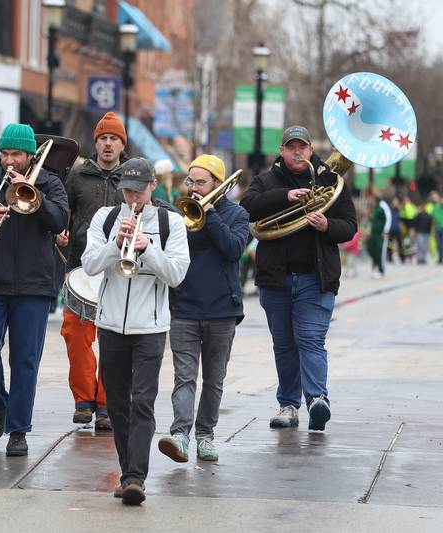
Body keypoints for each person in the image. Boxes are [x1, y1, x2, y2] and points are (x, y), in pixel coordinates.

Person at [81, 157, 190, 505]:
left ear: (153, 187)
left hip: (151, 327)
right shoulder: (105, 218)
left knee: (142, 400)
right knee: (116, 404)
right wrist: (117, 244)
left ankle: (135, 478)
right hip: (111, 324)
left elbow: (176, 275)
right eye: (127, 190)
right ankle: (129, 471)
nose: (133, 198)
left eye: (139, 191)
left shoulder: (171, 222)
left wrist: (147, 248)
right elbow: (90, 265)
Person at [0, 123, 69, 456]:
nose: (9, 161)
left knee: (24, 361)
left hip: (34, 286)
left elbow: (61, 221)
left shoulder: (50, 184)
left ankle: (18, 429)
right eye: (5, 154)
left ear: (29, 156)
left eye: (16, 155)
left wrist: (35, 200)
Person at [240, 126, 357, 432]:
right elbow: (247, 208)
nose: (296, 152)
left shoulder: (331, 181)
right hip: (276, 280)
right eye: (290, 147)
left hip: (315, 279)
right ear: (281, 151)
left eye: (301, 147)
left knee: (310, 340)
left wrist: (326, 225)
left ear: (309, 150)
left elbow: (350, 226)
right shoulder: (266, 180)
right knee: (284, 345)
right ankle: (288, 406)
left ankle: (317, 399)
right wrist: (286, 196)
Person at [157, 155, 248, 464]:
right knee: (184, 377)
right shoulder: (179, 214)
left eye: (200, 182)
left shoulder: (237, 214)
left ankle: (205, 436)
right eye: (191, 181)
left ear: (218, 185)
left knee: (214, 379)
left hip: (222, 310)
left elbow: (234, 248)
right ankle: (180, 435)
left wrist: (210, 215)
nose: (194, 188)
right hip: (184, 307)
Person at [57, 111, 127, 430]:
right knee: (75, 335)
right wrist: (60, 233)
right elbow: (62, 214)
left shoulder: (132, 178)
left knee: (113, 340)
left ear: (122, 145)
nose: (108, 144)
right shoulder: (76, 177)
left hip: (119, 272)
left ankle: (106, 404)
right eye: (103, 138)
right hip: (80, 268)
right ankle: (84, 399)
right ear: (96, 143)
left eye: (114, 138)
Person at [365, 193, 391, 278]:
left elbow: (388, 218)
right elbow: (373, 221)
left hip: (381, 234)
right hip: (373, 234)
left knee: (381, 252)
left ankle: (381, 270)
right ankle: (376, 264)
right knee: (371, 248)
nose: (370, 201)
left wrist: (386, 230)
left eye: (371, 199)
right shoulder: (375, 208)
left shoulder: (383, 206)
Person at [414, 200, 432, 264]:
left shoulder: (429, 216)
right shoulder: (418, 215)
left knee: (425, 246)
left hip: (427, 232)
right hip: (420, 232)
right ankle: (420, 258)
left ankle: (423, 258)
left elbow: (430, 225)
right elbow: (415, 223)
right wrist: (415, 231)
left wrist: (430, 232)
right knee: (420, 246)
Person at [431, 192, 443, 265]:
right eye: (433, 197)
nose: (434, 198)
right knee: (438, 244)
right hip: (437, 228)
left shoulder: (441, 205)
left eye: (435, 197)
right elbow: (433, 218)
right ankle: (440, 258)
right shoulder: (433, 207)